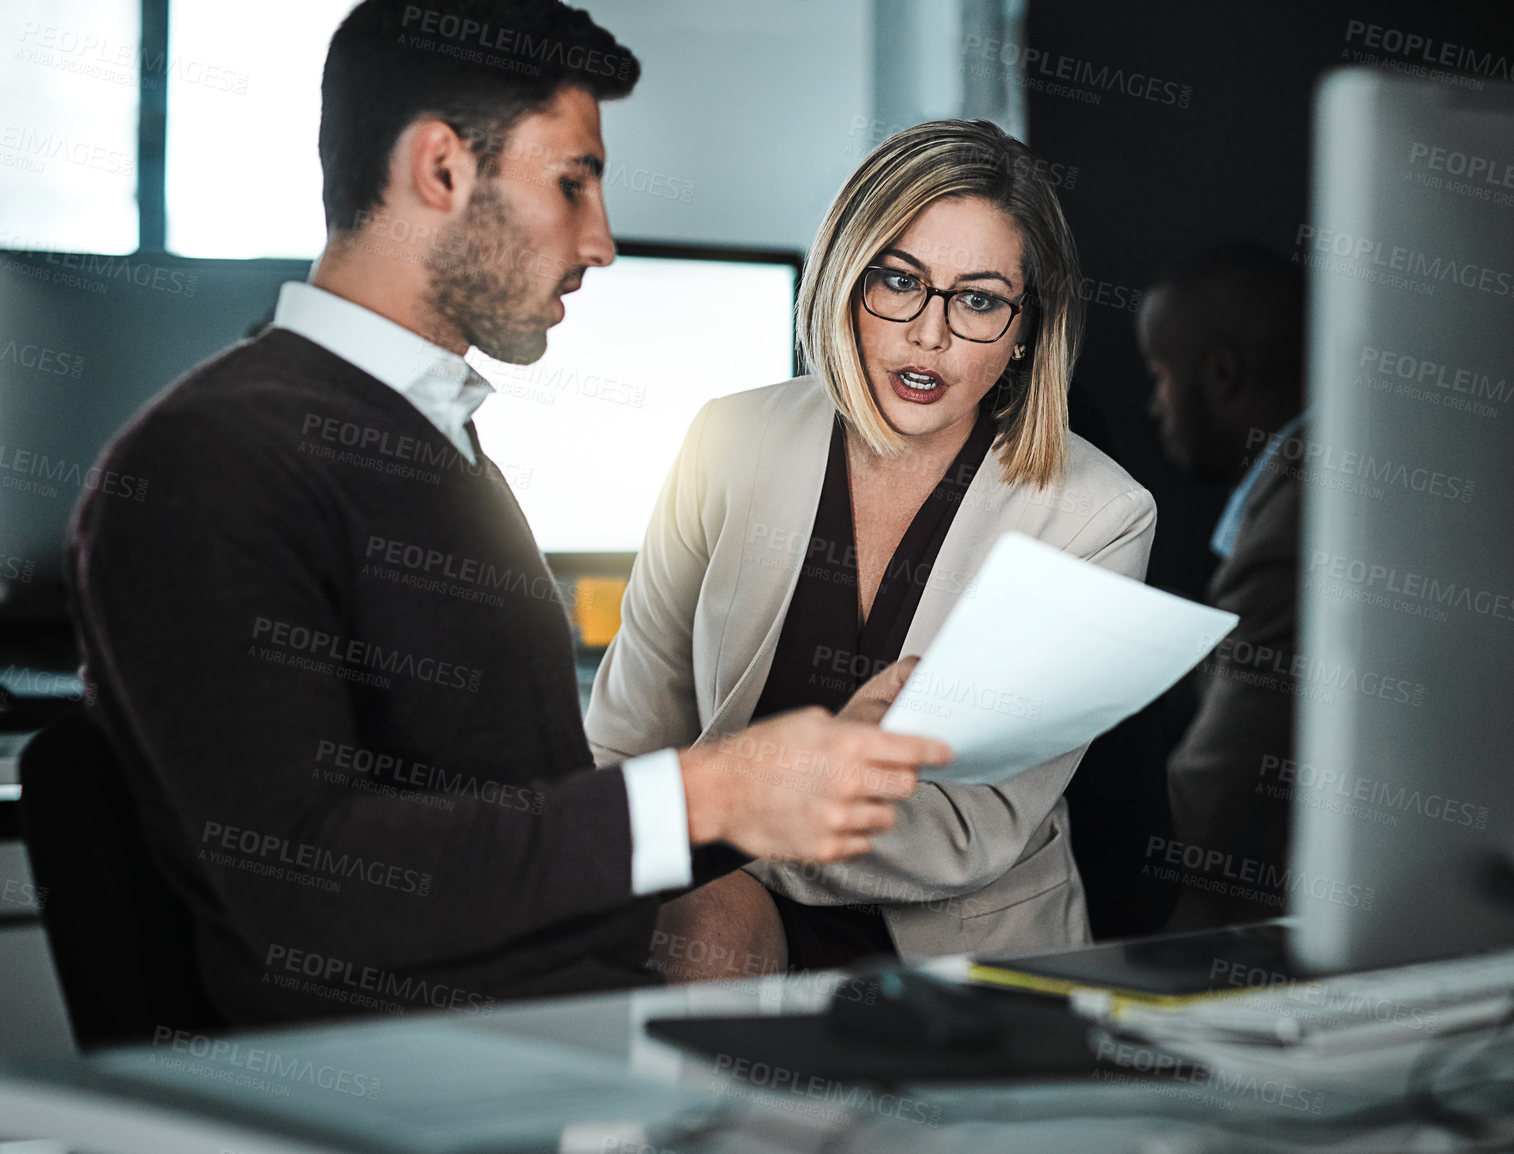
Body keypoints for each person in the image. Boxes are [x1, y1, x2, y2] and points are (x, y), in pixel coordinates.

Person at [66, 0, 947, 1027]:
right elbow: (306, 881)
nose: (603, 242)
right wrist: (704, 793)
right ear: (441, 169)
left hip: (547, 1036)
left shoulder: (431, 438)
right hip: (405, 1081)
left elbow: (509, 835)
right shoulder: (209, 460)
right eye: (572, 182)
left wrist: (779, 784)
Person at [585, 120, 1158, 977]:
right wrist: (700, 860)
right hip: (715, 933)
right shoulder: (727, 439)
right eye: (899, 281)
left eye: (977, 299)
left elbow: (971, 833)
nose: (929, 335)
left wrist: (716, 823)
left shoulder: (1096, 512)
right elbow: (627, 743)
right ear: (844, 279)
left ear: (1026, 329)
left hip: (958, 963)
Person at [1139, 242, 1306, 930]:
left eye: (1159, 378)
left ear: (1222, 374)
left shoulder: (1289, 522)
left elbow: (1219, 799)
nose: (1154, 406)